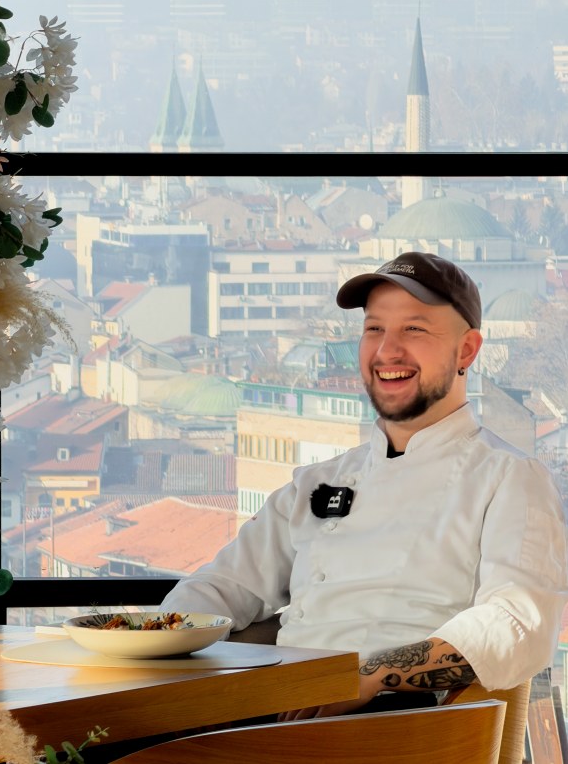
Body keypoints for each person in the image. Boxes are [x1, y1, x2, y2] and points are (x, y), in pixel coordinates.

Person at [161, 251, 568, 718]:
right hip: (273, 711)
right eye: (374, 329)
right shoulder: (318, 481)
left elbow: (516, 624)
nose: (387, 351)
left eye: (414, 329)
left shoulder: (509, 478)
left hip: (394, 728)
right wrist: (155, 639)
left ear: (467, 350)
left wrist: (368, 676)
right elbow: (222, 586)